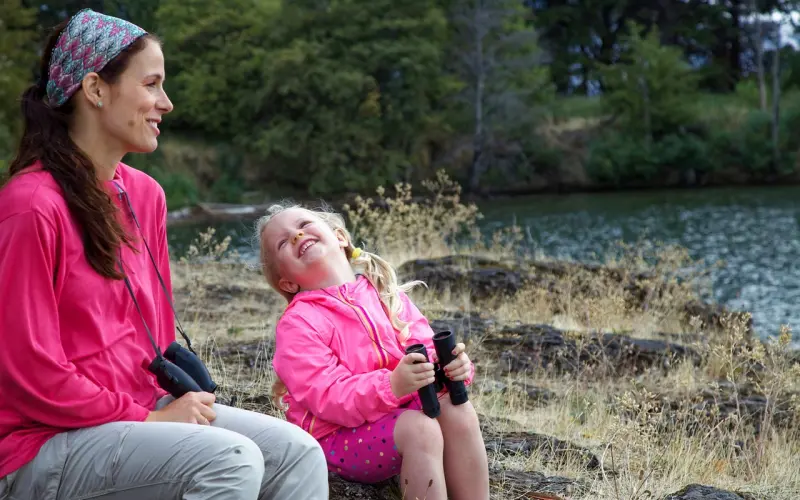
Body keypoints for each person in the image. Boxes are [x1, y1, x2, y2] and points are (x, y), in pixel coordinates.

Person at [0, 9, 327, 500]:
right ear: (95, 89)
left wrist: (159, 409)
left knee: (298, 452)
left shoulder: (146, 196)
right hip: (42, 442)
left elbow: (150, 341)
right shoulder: (30, 207)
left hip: (137, 413)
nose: (166, 103)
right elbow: (29, 372)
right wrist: (149, 419)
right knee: (228, 461)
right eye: (152, 84)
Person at [256, 203, 491, 500]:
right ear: (288, 281)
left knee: (459, 410)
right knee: (420, 430)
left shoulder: (384, 293)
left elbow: (426, 349)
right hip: (336, 436)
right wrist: (392, 385)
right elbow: (327, 396)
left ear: (339, 237)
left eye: (303, 223)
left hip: (394, 413)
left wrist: (452, 369)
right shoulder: (298, 323)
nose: (297, 235)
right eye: (282, 242)